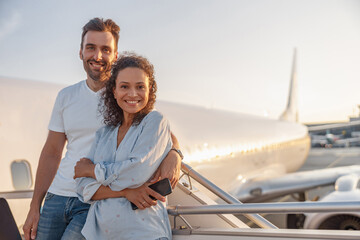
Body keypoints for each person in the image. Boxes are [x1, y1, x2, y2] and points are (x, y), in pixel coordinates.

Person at [23, 18, 182, 240]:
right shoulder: (66, 97)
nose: (97, 56)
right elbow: (51, 152)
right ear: (80, 52)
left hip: (96, 199)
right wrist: (34, 206)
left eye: (105, 49)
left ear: (115, 56)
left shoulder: (127, 93)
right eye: (91, 48)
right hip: (59, 195)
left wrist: (175, 154)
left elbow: (160, 133)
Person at [75, 52, 172, 240]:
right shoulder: (104, 133)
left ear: (150, 90)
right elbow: (82, 187)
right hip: (101, 235)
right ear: (114, 91)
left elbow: (135, 173)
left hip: (146, 234)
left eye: (140, 87)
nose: (133, 94)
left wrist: (92, 170)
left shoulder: (155, 121)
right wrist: (127, 192)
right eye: (125, 86)